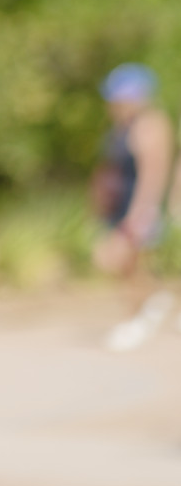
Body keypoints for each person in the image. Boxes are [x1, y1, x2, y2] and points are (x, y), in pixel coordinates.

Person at [91, 63, 173, 350]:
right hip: (117, 206)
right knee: (125, 265)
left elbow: (154, 173)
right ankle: (152, 302)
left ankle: (136, 318)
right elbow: (108, 168)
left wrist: (140, 214)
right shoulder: (120, 128)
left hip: (138, 207)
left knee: (123, 260)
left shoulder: (150, 125)